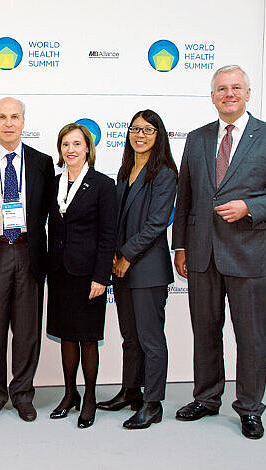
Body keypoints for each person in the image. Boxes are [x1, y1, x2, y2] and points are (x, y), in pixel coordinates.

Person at [172, 65, 266, 439]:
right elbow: (186, 197)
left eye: (236, 88)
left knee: (251, 337)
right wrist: (180, 244)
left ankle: (249, 408)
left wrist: (250, 207)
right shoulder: (196, 139)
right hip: (201, 253)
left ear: (247, 93)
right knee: (205, 332)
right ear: (212, 96)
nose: (229, 94)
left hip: (250, 254)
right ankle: (207, 398)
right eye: (221, 89)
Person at [0, 97, 53, 422]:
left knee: (28, 330)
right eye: (2, 117)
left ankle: (22, 394)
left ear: (23, 122)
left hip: (29, 251)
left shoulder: (42, 163)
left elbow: (48, 211)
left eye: (14, 116)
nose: (8, 123)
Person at [97, 110, 178, 429]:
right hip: (122, 267)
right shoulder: (125, 169)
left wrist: (127, 255)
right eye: (135, 129)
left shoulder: (165, 172)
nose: (139, 135)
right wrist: (113, 253)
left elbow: (157, 222)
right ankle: (130, 390)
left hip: (147, 268)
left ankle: (153, 402)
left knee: (150, 338)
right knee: (130, 337)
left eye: (148, 130)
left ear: (159, 135)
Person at [46, 123, 116, 428]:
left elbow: (108, 235)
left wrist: (101, 277)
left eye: (77, 144)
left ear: (87, 147)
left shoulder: (103, 184)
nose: (71, 150)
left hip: (89, 275)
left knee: (87, 338)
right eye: (65, 145)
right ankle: (70, 393)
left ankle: (89, 397)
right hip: (60, 272)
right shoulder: (54, 182)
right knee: (66, 337)